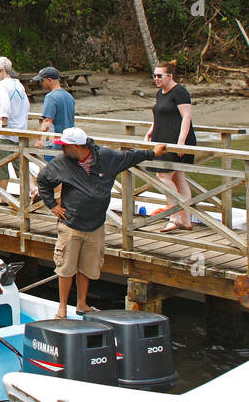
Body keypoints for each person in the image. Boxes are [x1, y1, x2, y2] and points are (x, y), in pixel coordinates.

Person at [37, 127, 167, 318]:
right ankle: (62, 307)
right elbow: (42, 180)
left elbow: (129, 157)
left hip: (96, 224)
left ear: (78, 146)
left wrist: (152, 153)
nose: (62, 149)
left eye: (65, 146)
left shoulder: (105, 157)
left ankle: (82, 304)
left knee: (87, 267)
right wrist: (52, 206)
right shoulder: (61, 163)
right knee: (66, 268)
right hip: (70, 224)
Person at [147, 60, 198, 233]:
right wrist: (150, 131)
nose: (156, 78)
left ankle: (174, 217)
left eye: (159, 76)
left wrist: (181, 143)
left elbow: (186, 117)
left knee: (162, 175)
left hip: (176, 140)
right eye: (154, 75)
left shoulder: (180, 92)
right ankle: (186, 220)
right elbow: (159, 115)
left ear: (170, 76)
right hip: (162, 138)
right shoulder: (160, 93)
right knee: (178, 178)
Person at [0, 56, 29, 208]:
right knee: (20, 163)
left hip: (4, 131)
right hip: (18, 130)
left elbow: (4, 105)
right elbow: (26, 105)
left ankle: (2, 196)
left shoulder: (2, 85)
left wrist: (3, 124)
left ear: (2, 70)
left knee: (1, 163)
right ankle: (32, 190)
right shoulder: (18, 84)